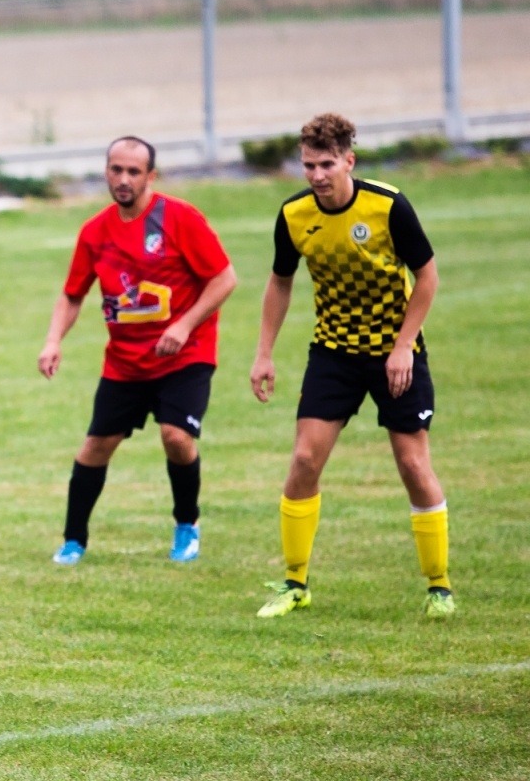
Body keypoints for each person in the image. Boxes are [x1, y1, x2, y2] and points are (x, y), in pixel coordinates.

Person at [251, 113, 452, 619]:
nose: (317, 175)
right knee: (303, 461)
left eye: (326, 164)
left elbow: (426, 277)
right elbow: (280, 281)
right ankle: (295, 582)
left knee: (412, 464)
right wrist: (264, 352)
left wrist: (404, 345)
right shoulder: (294, 215)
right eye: (308, 165)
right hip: (334, 352)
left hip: (394, 352)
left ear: (348, 161)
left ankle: (439, 586)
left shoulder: (388, 206)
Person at [39, 136, 237, 565]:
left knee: (177, 437)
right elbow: (73, 294)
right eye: (116, 169)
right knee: (95, 446)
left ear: (151, 176)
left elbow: (224, 278)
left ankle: (188, 525)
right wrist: (54, 340)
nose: (123, 179)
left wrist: (184, 326)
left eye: (133, 172)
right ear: (106, 171)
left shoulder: (180, 218)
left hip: (185, 355)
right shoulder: (95, 232)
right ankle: (74, 541)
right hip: (126, 363)